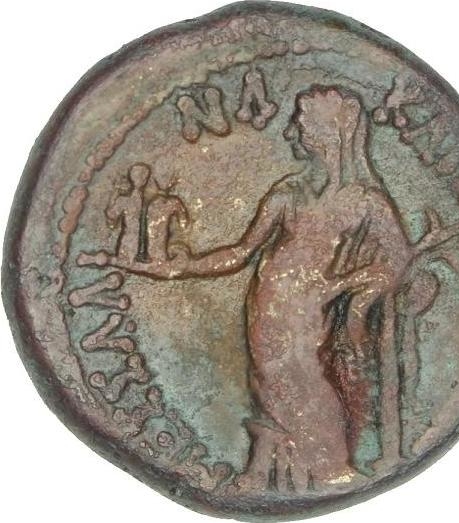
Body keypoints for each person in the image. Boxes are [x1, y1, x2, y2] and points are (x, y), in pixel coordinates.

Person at [84, 86, 417, 491]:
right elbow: (240, 253)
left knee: (307, 382)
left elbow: (398, 262)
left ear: (330, 132)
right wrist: (180, 268)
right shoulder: (289, 192)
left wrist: (350, 290)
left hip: (311, 310)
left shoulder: (366, 202)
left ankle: (332, 469)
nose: (295, 127)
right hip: (267, 304)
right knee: (270, 386)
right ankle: (273, 471)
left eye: (303, 120)